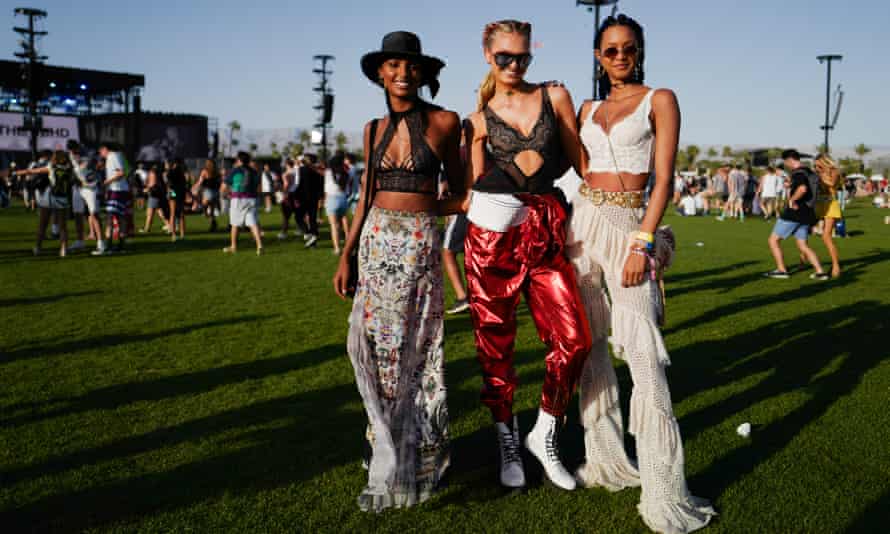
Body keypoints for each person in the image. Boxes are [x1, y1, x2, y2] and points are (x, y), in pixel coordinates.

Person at [568, 14, 716, 533]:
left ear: (641, 51)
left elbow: (665, 178)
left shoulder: (661, 99)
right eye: (610, 50)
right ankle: (605, 459)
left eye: (629, 48)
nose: (620, 56)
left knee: (645, 356)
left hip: (631, 225)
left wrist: (643, 241)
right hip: (582, 226)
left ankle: (663, 489)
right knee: (590, 348)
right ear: (598, 57)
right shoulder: (586, 108)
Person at [332, 30, 462, 512]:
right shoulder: (372, 129)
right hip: (375, 245)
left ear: (423, 73)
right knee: (379, 352)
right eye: (393, 65)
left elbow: (462, 189)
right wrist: (346, 254)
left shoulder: (446, 122)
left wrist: (424, 213)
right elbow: (365, 196)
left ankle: (422, 458)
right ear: (380, 73)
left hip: (419, 247)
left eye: (411, 66)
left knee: (420, 350)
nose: (403, 73)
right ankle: (383, 451)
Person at [463, 19, 593, 492]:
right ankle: (507, 435)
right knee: (495, 346)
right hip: (492, 234)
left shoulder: (554, 96)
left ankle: (545, 430)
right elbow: (472, 185)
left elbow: (581, 161)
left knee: (575, 340)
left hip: (545, 228)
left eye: (523, 57)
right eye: (505, 57)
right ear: (487, 55)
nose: (515, 65)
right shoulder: (478, 114)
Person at [765, 149, 828, 280]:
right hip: (807, 213)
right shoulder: (809, 172)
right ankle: (820, 272)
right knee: (803, 245)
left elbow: (803, 189)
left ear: (789, 160)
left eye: (785, 162)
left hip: (794, 212)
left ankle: (782, 270)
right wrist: (789, 186)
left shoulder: (798, 173)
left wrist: (792, 199)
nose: (786, 165)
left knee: (773, 241)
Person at [221, 151, 263, 254]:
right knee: (253, 223)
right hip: (252, 199)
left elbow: (224, 186)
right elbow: (258, 187)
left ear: (239, 160)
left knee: (235, 224)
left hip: (238, 199)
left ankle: (233, 246)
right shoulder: (254, 171)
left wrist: (225, 194)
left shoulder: (235, 171)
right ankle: (259, 246)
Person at [96, 143, 130, 254]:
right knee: (120, 218)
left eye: (101, 151)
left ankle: (109, 245)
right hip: (119, 190)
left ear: (105, 149)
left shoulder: (113, 156)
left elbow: (121, 173)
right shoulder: (117, 155)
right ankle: (121, 246)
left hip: (117, 190)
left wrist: (106, 182)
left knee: (111, 218)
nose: (101, 154)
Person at [814, 155, 842, 278]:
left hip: (830, 204)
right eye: (815, 165)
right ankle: (804, 259)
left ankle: (836, 266)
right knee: (803, 230)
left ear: (825, 162)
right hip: (818, 204)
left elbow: (832, 183)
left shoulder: (834, 171)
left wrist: (820, 175)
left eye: (818, 164)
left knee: (826, 236)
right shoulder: (819, 173)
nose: (816, 167)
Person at [324, 154, 351, 255]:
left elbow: (326, 189)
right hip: (343, 199)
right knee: (344, 221)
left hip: (331, 199)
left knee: (334, 226)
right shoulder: (346, 173)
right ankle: (348, 243)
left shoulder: (328, 172)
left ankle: (337, 248)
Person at [166, 158, 188, 241]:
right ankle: (174, 234)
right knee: (174, 213)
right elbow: (169, 184)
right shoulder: (172, 171)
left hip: (178, 192)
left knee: (180, 214)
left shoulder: (180, 172)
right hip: (174, 192)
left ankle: (181, 235)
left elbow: (184, 184)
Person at [278, 158, 301, 240]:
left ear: (286, 164)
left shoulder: (286, 173)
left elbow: (287, 184)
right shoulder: (297, 171)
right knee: (298, 214)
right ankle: (300, 230)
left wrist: (284, 193)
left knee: (286, 215)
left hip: (289, 195)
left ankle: (284, 233)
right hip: (297, 194)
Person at [197, 159, 221, 232]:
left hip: (208, 191)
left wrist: (195, 187)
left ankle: (206, 215)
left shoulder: (205, 171)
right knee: (212, 209)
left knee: (204, 206)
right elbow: (219, 182)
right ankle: (213, 225)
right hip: (215, 192)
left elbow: (200, 181)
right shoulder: (216, 172)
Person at [142, 165, 167, 232]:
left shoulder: (153, 173)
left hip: (154, 195)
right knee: (159, 212)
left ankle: (147, 229)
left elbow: (153, 184)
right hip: (156, 195)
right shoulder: (157, 174)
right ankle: (147, 228)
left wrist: (147, 189)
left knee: (151, 213)